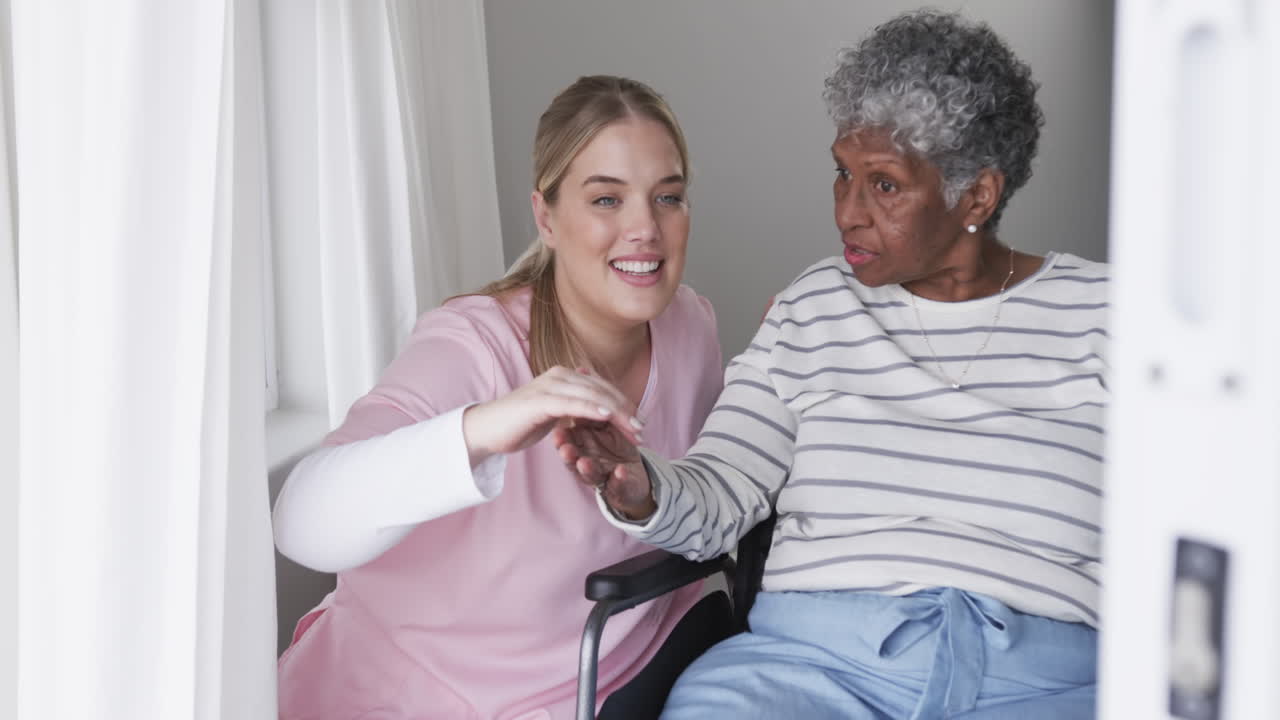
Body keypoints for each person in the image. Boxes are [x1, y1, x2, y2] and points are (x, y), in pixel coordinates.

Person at [556, 11, 1107, 719]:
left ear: (976, 196)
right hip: (810, 671)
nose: (847, 212)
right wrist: (642, 486)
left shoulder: (1111, 317)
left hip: (1044, 685)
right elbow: (722, 491)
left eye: (884, 186)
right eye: (843, 174)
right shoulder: (815, 307)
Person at [272, 75, 728, 720]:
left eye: (668, 197)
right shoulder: (472, 345)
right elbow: (302, 525)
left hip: (612, 692)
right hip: (408, 697)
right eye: (606, 199)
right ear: (546, 217)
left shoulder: (692, 327)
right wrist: (485, 426)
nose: (644, 229)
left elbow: (709, 510)